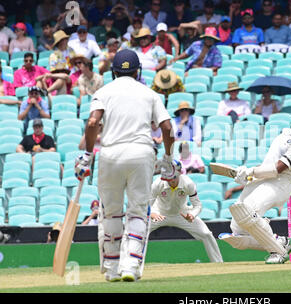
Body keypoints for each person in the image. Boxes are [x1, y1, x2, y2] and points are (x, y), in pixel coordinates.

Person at [75, 49, 174, 282]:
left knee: (111, 212)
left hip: (110, 154)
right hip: (141, 153)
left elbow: (92, 122)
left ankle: (111, 268)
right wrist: (168, 159)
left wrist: (88, 155)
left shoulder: (103, 91)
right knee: (137, 212)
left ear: (113, 71)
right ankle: (130, 266)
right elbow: (168, 129)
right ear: (138, 71)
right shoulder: (149, 93)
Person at [219, 103, 291, 264]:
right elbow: (269, 163)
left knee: (248, 212)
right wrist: (248, 175)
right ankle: (281, 242)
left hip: (278, 185)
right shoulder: (287, 133)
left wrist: (251, 172)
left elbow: (277, 169)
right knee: (238, 229)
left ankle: (277, 251)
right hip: (261, 180)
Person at [149, 160, 223, 263]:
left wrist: (192, 215)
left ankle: (218, 264)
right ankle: (133, 265)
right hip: (159, 213)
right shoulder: (157, 183)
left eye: (173, 177)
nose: (171, 181)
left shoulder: (188, 183)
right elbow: (146, 206)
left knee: (206, 234)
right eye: (168, 178)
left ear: (180, 173)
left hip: (182, 214)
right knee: (139, 232)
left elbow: (197, 205)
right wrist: (152, 214)